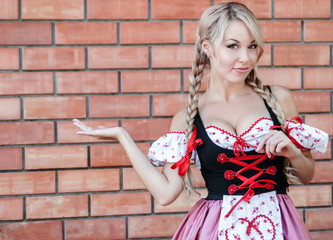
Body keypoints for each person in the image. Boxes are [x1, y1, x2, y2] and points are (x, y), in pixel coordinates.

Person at [73, 2, 328, 239]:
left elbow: (307, 175)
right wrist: (122, 136)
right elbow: (165, 194)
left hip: (278, 226)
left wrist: (293, 152)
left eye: (252, 46)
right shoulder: (187, 119)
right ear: (207, 47)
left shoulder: (279, 99)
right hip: (214, 228)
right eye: (232, 46)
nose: (245, 58)